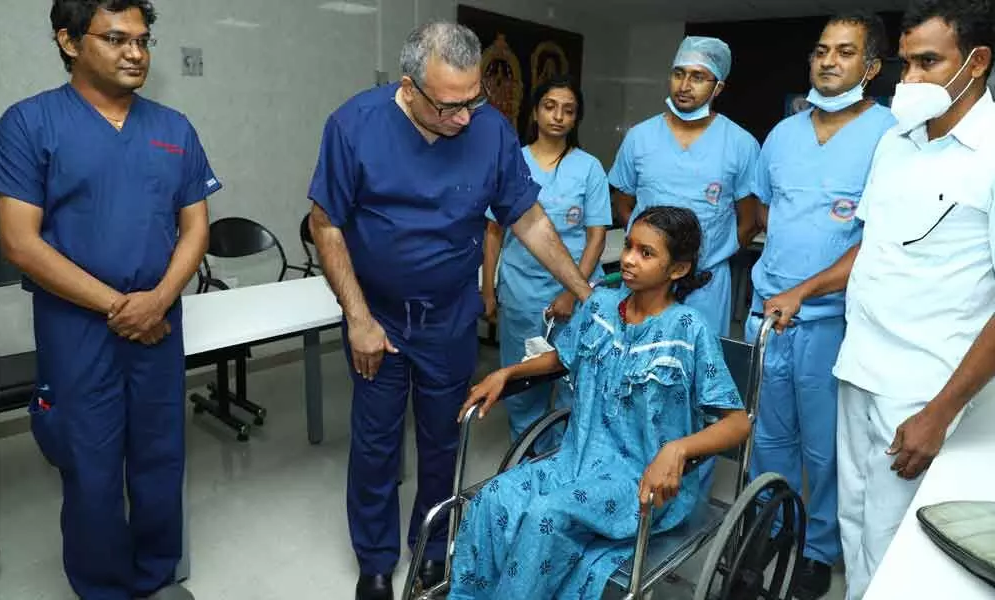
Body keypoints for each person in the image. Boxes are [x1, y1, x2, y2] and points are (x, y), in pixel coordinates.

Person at [306, 21, 594, 600]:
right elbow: (325, 223)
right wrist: (358, 319)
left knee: (443, 439)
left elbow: (528, 218)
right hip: (379, 320)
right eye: (449, 106)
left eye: (473, 100)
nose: (465, 118)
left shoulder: (488, 130)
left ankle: (433, 549)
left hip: (449, 319)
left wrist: (586, 293)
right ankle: (375, 563)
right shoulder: (353, 125)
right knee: (376, 443)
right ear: (409, 88)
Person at [763, 2, 995, 598]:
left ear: (977, 63)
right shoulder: (897, 141)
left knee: (902, 545)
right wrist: (805, 288)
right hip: (858, 367)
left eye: (927, 62)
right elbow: (871, 248)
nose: (909, 80)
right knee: (856, 524)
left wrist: (939, 412)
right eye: (906, 62)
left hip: (922, 389)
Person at [0, 1, 219, 599]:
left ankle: (154, 577)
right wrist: (122, 307)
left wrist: (159, 299)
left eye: (143, 40)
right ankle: (103, 589)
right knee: (90, 468)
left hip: (159, 323)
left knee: (159, 457)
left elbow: (196, 227)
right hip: (78, 329)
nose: (136, 53)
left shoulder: (174, 129)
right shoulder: (28, 124)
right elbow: (19, 242)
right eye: (117, 39)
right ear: (68, 41)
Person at [448, 206, 751, 599]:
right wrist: (507, 373)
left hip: (640, 480)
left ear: (677, 269)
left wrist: (678, 449)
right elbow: (563, 356)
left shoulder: (689, 331)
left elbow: (737, 423)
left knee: (546, 516)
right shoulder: (600, 305)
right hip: (575, 460)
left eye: (646, 253)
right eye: (628, 246)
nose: (627, 258)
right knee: (495, 498)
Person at [747, 12, 895, 600]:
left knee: (825, 446)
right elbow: (763, 215)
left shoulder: (890, 137)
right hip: (768, 314)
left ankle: (818, 546)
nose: (828, 61)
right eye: (820, 50)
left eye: (845, 51)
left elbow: (878, 240)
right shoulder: (783, 135)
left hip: (831, 322)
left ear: (872, 66)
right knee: (768, 437)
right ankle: (776, 525)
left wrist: (806, 290)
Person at [481, 75, 612, 448]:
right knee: (522, 381)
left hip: (577, 292)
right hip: (521, 291)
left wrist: (574, 292)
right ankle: (529, 459)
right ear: (535, 112)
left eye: (568, 110)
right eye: (550, 106)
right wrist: (488, 288)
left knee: (575, 381)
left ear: (576, 118)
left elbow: (597, 236)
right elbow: (494, 232)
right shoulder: (512, 162)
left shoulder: (589, 167)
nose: (558, 116)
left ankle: (566, 463)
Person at [609, 36, 761, 338]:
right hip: (646, 283)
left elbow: (750, 221)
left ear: (718, 87)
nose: (685, 84)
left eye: (698, 77)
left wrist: (709, 257)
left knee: (696, 370)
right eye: (679, 73)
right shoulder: (640, 137)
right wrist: (651, 251)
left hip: (706, 285)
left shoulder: (741, 144)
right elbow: (623, 203)